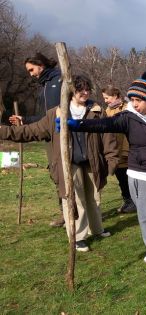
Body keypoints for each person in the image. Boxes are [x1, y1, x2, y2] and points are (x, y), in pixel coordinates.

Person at [62, 71, 146, 269]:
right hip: (142, 176)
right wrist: (77, 125)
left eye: (138, 100)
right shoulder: (128, 117)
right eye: (131, 99)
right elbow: (103, 124)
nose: (134, 104)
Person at [1, 75, 118, 251]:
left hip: (92, 162)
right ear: (71, 91)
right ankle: (78, 236)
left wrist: (112, 160)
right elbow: (29, 131)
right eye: (81, 90)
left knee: (94, 198)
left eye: (87, 89)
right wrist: (3, 131)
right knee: (74, 200)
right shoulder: (56, 113)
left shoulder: (96, 111)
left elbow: (108, 136)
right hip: (69, 164)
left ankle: (97, 229)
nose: (85, 93)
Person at [11, 52, 64, 227]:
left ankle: (77, 213)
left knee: (67, 174)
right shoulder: (44, 86)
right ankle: (65, 212)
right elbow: (43, 117)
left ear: (41, 64)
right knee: (56, 174)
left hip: (64, 134)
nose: (31, 74)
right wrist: (24, 120)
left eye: (31, 69)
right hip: (49, 136)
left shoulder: (61, 80)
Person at [102, 85, 136, 213]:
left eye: (107, 98)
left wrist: (127, 150)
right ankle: (127, 200)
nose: (105, 100)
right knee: (121, 178)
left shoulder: (127, 108)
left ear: (115, 96)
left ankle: (132, 201)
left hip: (126, 150)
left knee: (127, 178)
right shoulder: (108, 110)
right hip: (115, 149)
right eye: (104, 98)